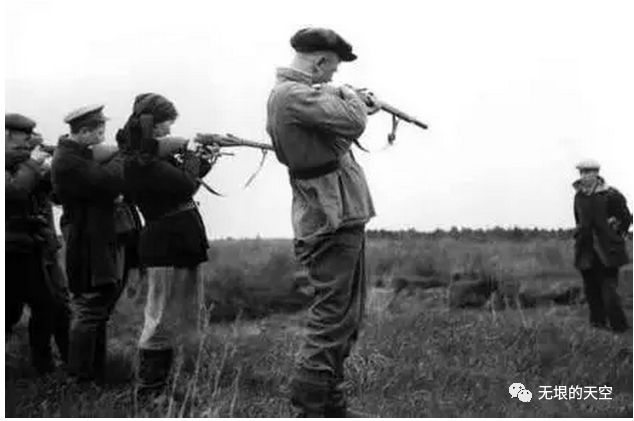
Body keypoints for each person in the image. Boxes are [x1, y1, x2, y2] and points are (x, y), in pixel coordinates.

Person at [266, 27, 379, 417]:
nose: (334, 75)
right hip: (330, 217)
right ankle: (311, 408)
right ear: (319, 62)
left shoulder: (298, 95)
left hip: (339, 213)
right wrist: (351, 96)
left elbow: (340, 122)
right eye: (332, 68)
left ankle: (331, 403)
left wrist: (343, 96)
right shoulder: (292, 96)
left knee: (346, 316)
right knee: (332, 318)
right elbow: (353, 121)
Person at [116, 93, 212, 393]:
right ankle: (150, 389)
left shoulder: (148, 157)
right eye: (166, 124)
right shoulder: (139, 161)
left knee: (180, 318)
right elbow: (185, 184)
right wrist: (192, 155)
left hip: (179, 241)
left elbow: (182, 183)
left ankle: (164, 386)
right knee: (160, 321)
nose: (169, 130)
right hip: (166, 244)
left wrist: (204, 158)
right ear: (154, 125)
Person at [51, 104, 130, 382]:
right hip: (86, 241)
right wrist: (123, 154)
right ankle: (79, 378)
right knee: (89, 307)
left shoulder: (78, 155)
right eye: (98, 132)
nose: (101, 138)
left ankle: (94, 374)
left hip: (93, 237)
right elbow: (108, 181)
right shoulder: (68, 161)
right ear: (83, 132)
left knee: (97, 308)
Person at [5, 113, 71, 374]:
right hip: (11, 249)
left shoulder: (25, 165)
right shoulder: (21, 166)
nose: (26, 144)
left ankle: (44, 365)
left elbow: (55, 196)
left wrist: (53, 168)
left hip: (36, 246)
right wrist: (33, 163)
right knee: (10, 311)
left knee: (51, 306)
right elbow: (13, 192)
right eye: (22, 139)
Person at [573, 159, 632, 333]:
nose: (583, 176)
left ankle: (620, 328)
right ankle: (598, 327)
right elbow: (578, 220)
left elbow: (626, 218)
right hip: (585, 250)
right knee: (591, 291)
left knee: (609, 291)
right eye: (581, 172)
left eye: (587, 172)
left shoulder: (612, 195)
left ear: (596, 173)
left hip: (608, 250)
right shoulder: (579, 196)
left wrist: (615, 231)